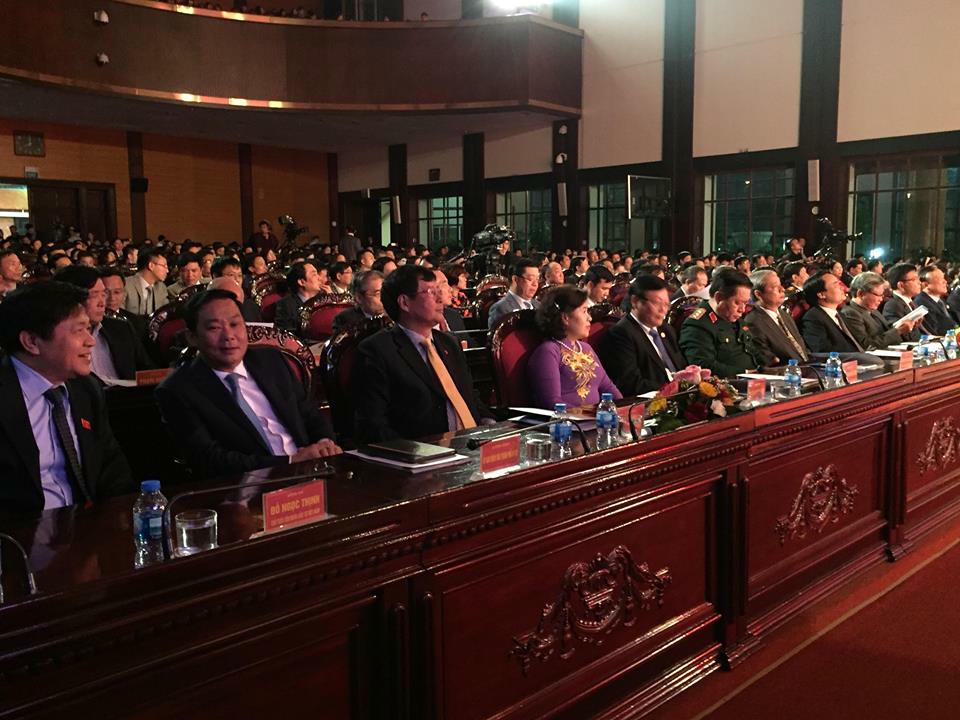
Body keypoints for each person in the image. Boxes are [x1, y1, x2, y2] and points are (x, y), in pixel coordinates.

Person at [155, 289, 341, 478]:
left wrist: (324, 443)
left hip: (313, 472)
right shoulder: (177, 390)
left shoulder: (272, 360)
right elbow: (209, 460)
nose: (229, 335)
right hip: (249, 485)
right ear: (192, 337)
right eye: (214, 328)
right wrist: (290, 462)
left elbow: (309, 413)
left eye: (235, 324)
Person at [0, 282, 132, 513]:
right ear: (32, 342)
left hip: (89, 525)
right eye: (78, 330)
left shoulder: (86, 388)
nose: (90, 341)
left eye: (88, 329)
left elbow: (112, 470)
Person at [353, 265, 488, 442]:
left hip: (473, 443)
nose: (440, 298)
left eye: (439, 290)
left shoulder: (449, 342)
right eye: (431, 292)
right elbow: (373, 424)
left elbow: (469, 396)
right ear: (405, 303)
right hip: (425, 450)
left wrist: (491, 424)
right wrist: (419, 451)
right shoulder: (377, 351)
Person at [54, 266, 154, 383]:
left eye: (103, 294)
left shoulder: (121, 328)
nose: (102, 303)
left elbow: (148, 371)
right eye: (94, 295)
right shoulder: (58, 336)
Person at [528, 285, 622, 408]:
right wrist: (590, 415)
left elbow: (608, 387)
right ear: (565, 317)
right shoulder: (548, 352)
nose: (590, 318)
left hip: (596, 417)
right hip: (569, 420)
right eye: (584, 311)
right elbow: (551, 402)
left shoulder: (586, 348)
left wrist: (624, 410)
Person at [597, 274, 686, 395]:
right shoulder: (620, 334)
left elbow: (680, 366)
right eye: (657, 303)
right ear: (635, 302)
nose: (663, 310)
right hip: (652, 400)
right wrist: (674, 388)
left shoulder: (666, 329)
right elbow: (630, 384)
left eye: (666, 304)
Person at [679, 271, 757, 378]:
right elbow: (703, 366)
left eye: (745, 303)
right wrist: (746, 373)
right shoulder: (698, 325)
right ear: (719, 297)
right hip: (732, 383)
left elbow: (751, 348)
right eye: (737, 303)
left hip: (755, 379)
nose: (742, 310)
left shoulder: (731, 316)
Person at [740, 269, 810, 367]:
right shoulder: (753, 322)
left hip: (807, 367)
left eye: (780, 284)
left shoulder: (783, 314)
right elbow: (768, 360)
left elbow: (801, 349)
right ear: (758, 294)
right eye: (774, 287)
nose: (782, 289)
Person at [840, 272, 916, 350]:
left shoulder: (873, 310)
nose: (881, 299)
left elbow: (887, 332)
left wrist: (908, 326)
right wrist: (898, 331)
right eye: (878, 295)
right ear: (861, 294)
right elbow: (866, 345)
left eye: (882, 295)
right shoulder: (850, 313)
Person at [800, 271, 864, 353]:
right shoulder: (813, 318)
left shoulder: (839, 314)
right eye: (836, 285)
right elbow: (823, 351)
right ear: (821, 295)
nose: (842, 288)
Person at [487, 259, 541, 329]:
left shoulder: (539, 305)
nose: (535, 284)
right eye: (530, 279)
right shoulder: (500, 308)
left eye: (537, 279)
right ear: (515, 279)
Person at [273, 261, 323, 333]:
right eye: (314, 275)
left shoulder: (323, 300)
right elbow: (285, 334)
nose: (319, 278)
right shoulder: (285, 305)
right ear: (302, 282)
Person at [332, 270, 385, 334]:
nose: (383, 298)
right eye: (377, 294)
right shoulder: (345, 320)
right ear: (359, 298)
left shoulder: (392, 313)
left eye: (384, 292)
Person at [882, 263, 926, 340]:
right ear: (901, 285)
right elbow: (899, 335)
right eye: (914, 279)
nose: (919, 282)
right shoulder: (892, 305)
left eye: (918, 279)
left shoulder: (911, 302)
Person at [913, 265, 958, 335]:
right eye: (941, 279)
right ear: (926, 285)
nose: (945, 282)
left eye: (944, 278)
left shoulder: (940, 300)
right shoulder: (921, 304)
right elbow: (936, 331)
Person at [123, 248, 169, 315]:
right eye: (164, 266)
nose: (167, 271)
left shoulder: (161, 287)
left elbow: (165, 313)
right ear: (151, 266)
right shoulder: (126, 285)